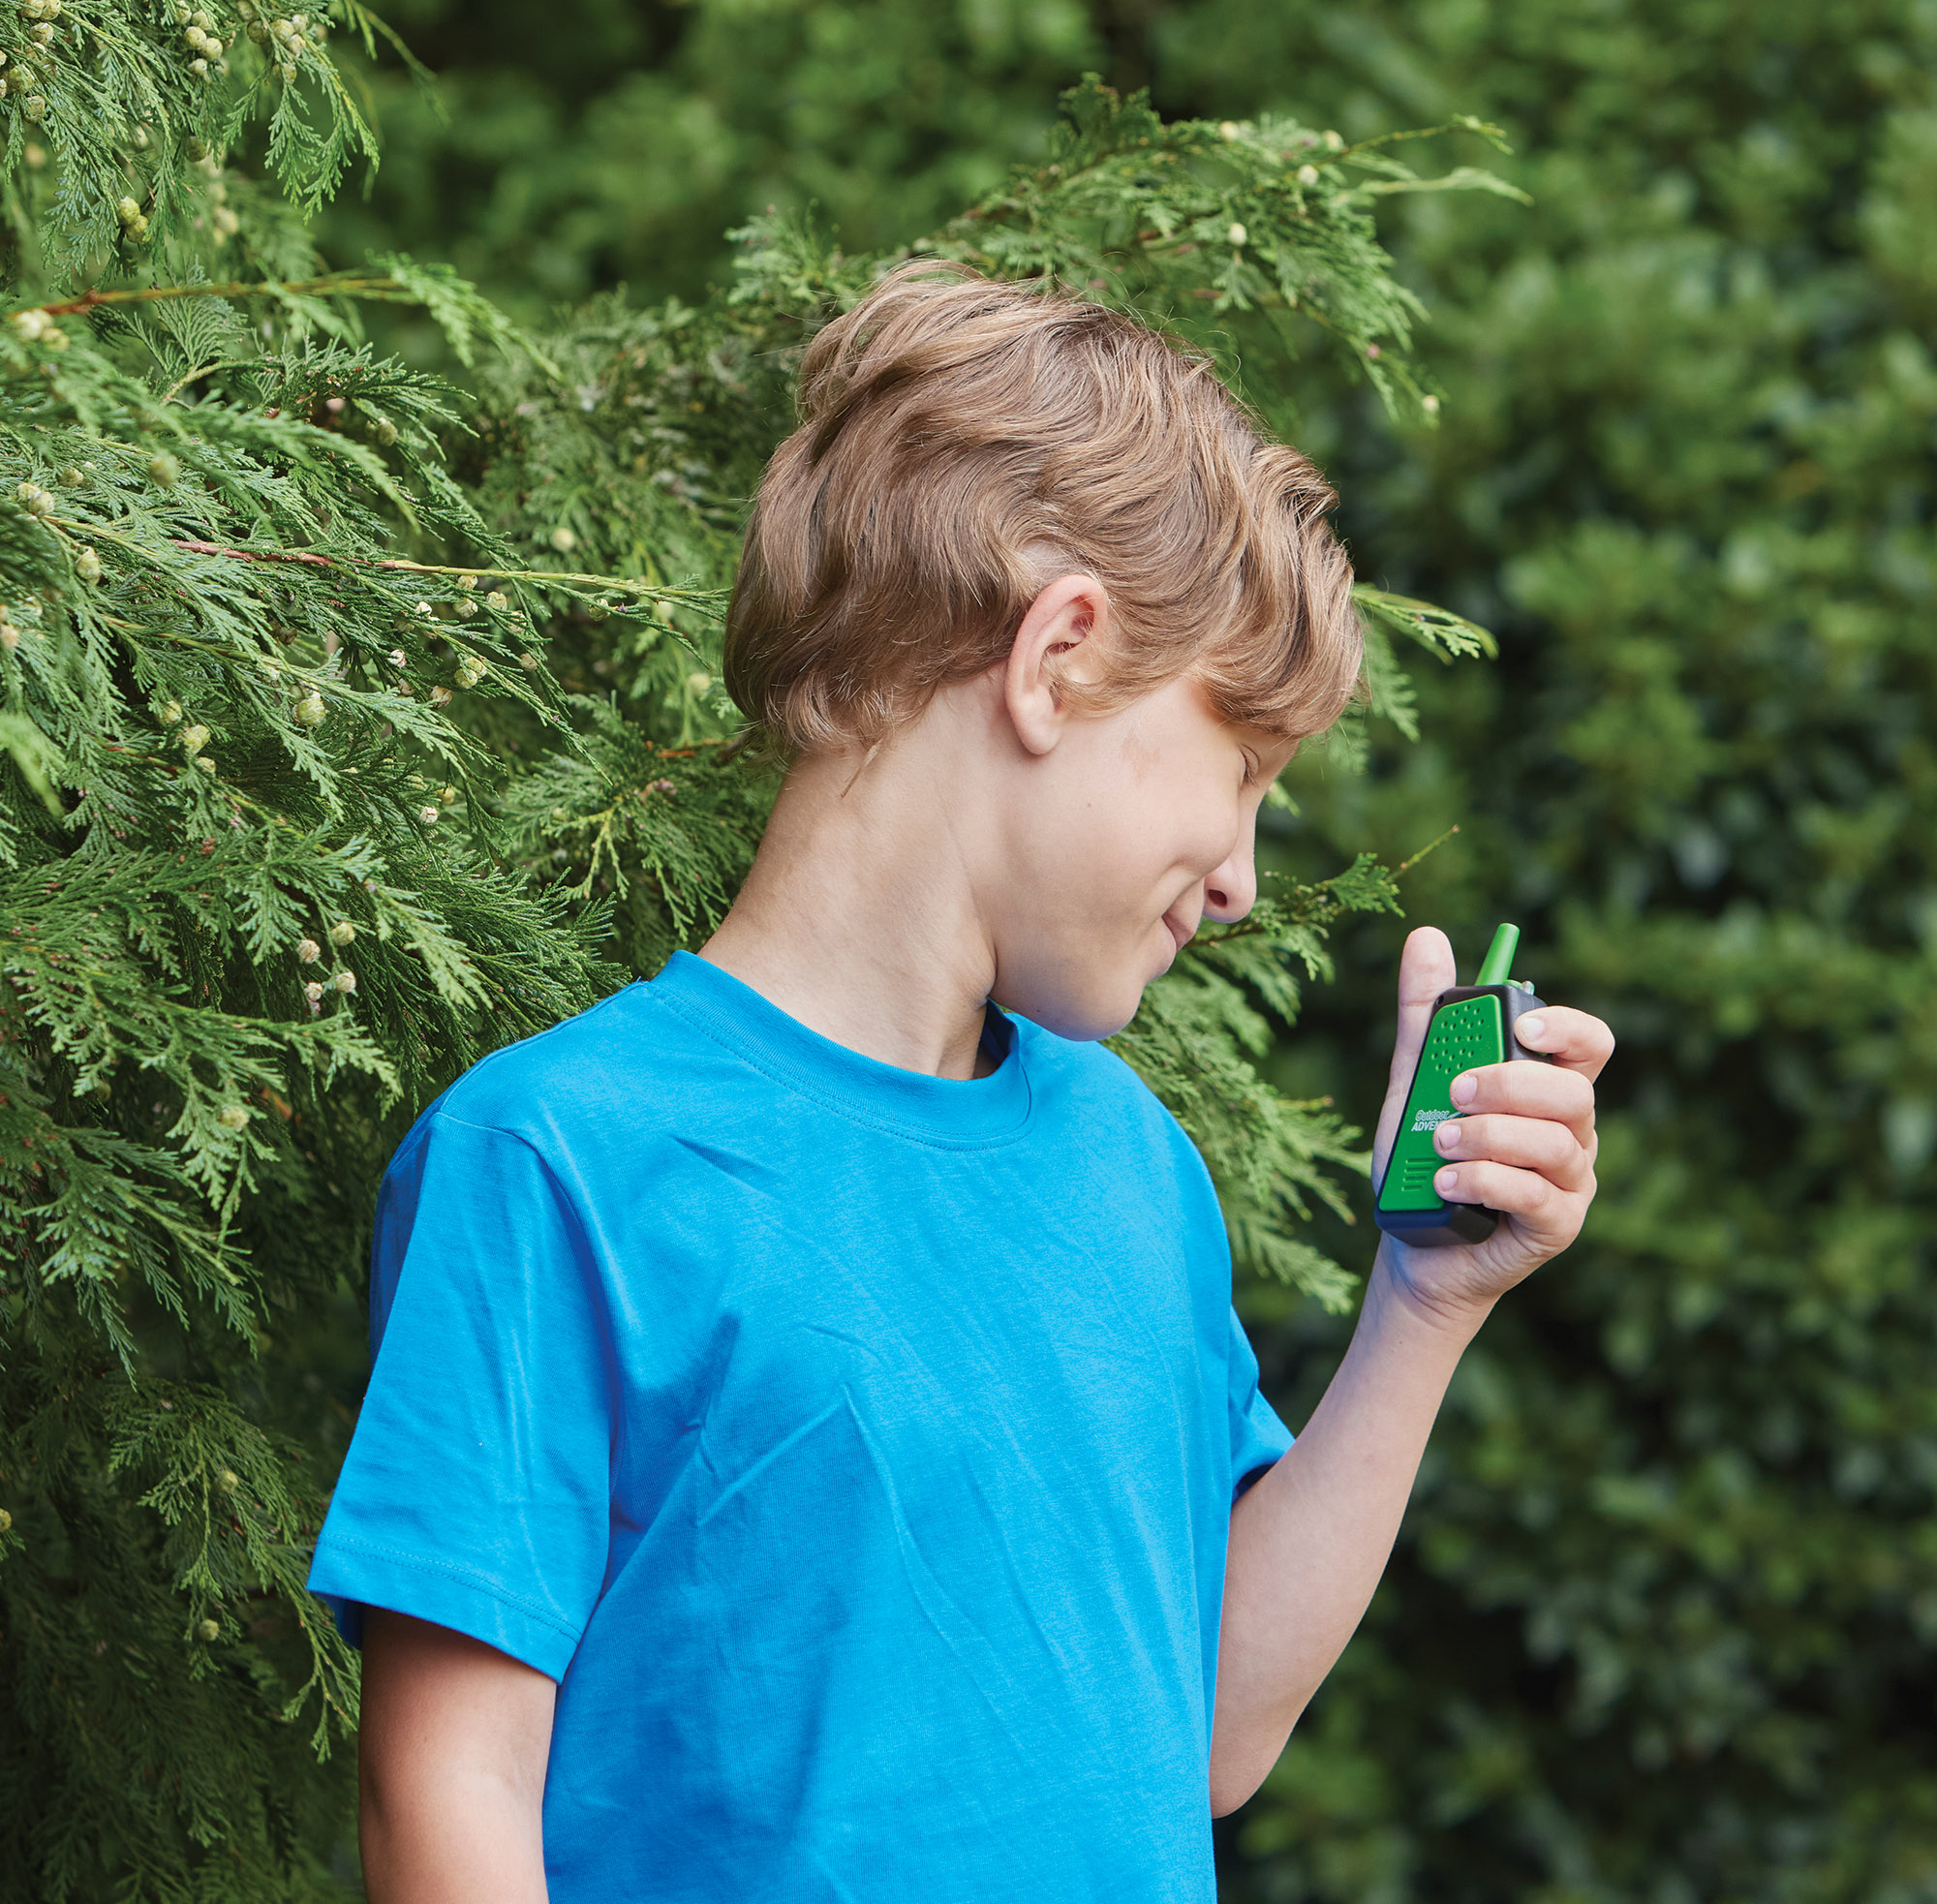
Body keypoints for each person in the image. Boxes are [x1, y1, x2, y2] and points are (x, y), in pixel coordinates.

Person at [310, 263, 1612, 1903]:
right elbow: (447, 1792)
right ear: (1057, 657)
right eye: (1243, 772)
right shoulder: (557, 1158)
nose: (1240, 881)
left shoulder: (1134, 1164)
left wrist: (1426, 1306)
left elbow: (1207, 1732)